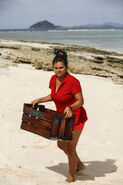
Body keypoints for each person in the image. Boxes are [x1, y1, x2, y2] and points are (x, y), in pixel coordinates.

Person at [31, 49, 88, 183]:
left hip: (76, 118)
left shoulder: (73, 81)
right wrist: (39, 100)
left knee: (70, 147)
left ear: (66, 67)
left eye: (61, 67)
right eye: (56, 68)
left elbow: (80, 100)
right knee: (60, 145)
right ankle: (79, 164)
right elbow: (54, 95)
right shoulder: (53, 79)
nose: (58, 70)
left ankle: (71, 175)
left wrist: (70, 107)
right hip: (61, 118)